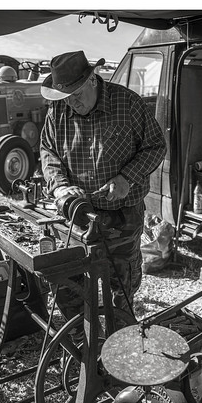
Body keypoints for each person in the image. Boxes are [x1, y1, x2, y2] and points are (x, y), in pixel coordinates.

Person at [40, 50, 166, 320]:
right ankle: (82, 341)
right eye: (66, 97)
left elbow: (156, 146)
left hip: (122, 217)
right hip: (78, 217)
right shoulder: (58, 110)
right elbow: (48, 151)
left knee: (121, 288)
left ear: (93, 80)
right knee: (71, 284)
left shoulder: (127, 103)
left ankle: (120, 342)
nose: (72, 103)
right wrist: (60, 187)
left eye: (77, 95)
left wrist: (127, 177)